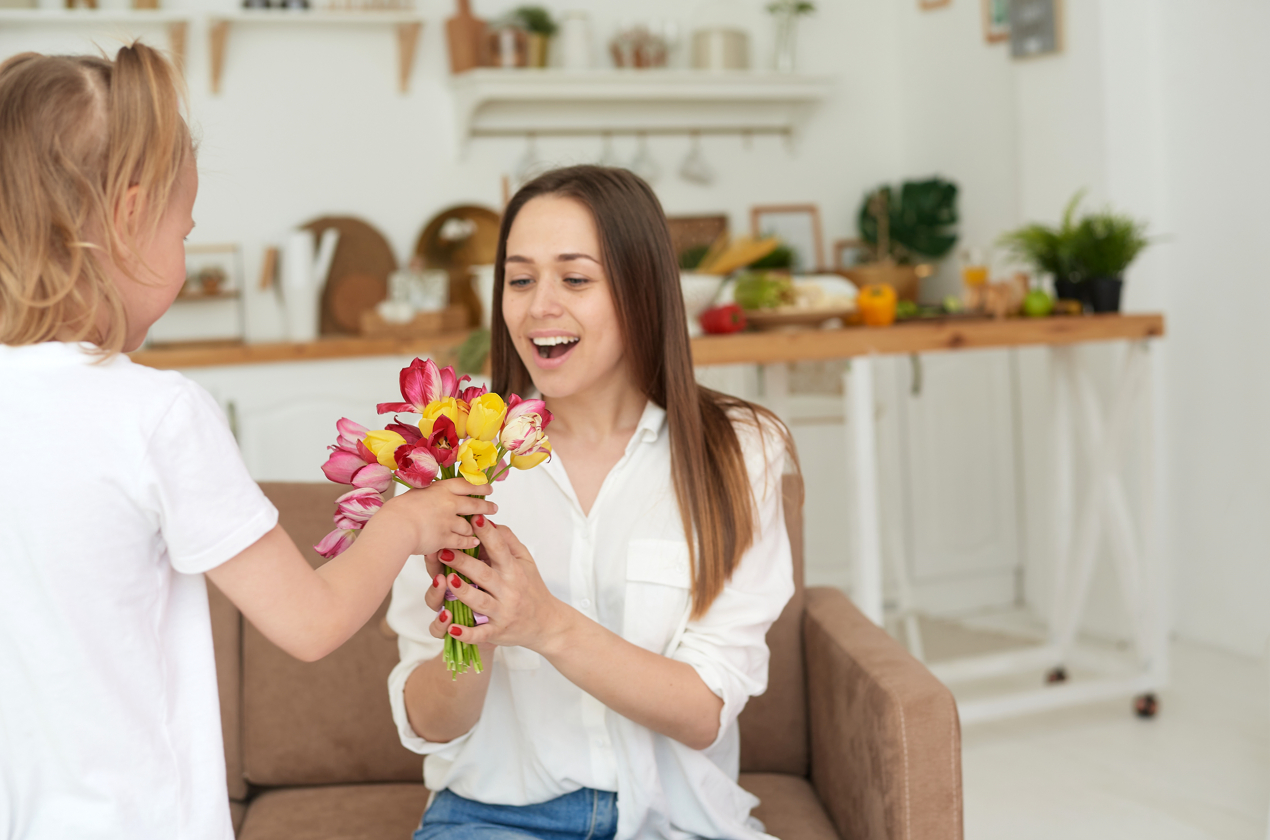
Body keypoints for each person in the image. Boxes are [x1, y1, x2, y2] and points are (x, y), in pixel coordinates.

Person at [0, 44, 497, 839]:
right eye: (183, 228)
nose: (186, 257)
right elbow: (310, 623)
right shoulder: (156, 413)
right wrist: (406, 521)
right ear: (129, 219)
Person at [386, 165, 801, 840]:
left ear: (642, 291)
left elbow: (703, 709)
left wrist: (541, 621)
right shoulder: (451, 460)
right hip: (495, 817)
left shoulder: (739, 452)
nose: (538, 306)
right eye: (519, 280)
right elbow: (429, 724)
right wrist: (475, 635)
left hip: (678, 822)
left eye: (574, 278)